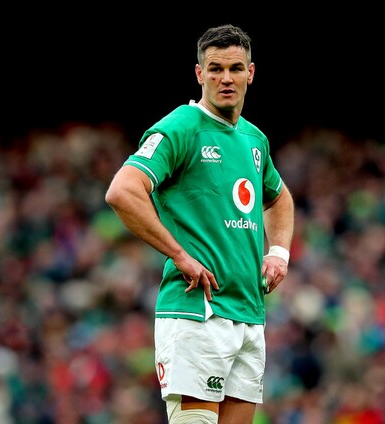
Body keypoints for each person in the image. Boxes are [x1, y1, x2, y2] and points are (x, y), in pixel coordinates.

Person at [105, 24, 295, 424]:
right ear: (199, 74)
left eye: (235, 68)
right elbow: (123, 191)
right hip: (197, 313)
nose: (226, 78)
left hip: (248, 313)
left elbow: (279, 197)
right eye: (215, 68)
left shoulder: (254, 139)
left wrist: (278, 253)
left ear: (250, 73)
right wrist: (179, 255)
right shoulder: (182, 126)